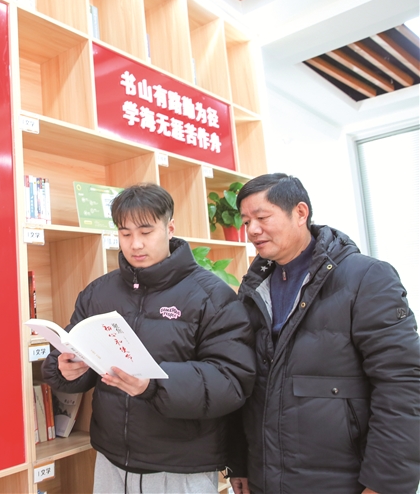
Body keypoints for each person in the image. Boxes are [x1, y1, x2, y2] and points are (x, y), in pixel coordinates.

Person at [42, 183, 255, 493]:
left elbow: (232, 380)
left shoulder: (211, 295)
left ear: (170, 228)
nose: (135, 244)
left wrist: (154, 384)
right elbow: (75, 353)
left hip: (181, 465)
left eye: (146, 232)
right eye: (125, 233)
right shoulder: (98, 292)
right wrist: (65, 369)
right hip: (111, 459)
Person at [227, 173, 420, 494]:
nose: (252, 230)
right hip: (266, 478)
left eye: (262, 218)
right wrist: (241, 462)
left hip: (344, 481)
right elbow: (248, 384)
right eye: (246, 222)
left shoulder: (367, 277)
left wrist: (385, 484)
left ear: (300, 213)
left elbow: (402, 386)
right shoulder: (253, 288)